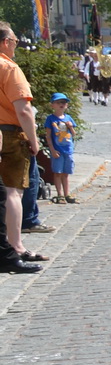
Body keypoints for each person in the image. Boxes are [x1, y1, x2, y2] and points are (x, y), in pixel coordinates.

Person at [0, 22, 43, 275]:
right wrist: (34, 140)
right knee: (12, 192)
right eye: (15, 41)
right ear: (6, 41)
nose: (16, 45)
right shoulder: (9, 67)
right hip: (11, 134)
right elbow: (24, 109)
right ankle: (15, 245)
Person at [42, 93, 75, 204]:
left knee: (66, 173)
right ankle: (59, 194)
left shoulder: (68, 118)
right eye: (58, 102)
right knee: (57, 172)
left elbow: (74, 134)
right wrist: (52, 150)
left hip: (68, 149)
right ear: (53, 105)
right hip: (57, 150)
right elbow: (48, 136)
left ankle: (67, 194)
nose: (61, 104)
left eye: (64, 102)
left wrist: (70, 126)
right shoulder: (50, 119)